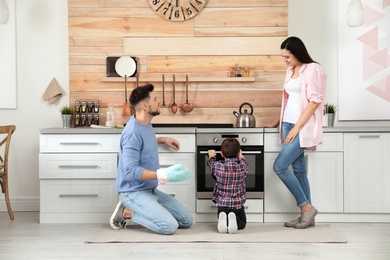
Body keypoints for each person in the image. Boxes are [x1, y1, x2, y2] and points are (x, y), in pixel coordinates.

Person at [109, 83, 193, 235]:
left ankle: (144, 209)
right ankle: (126, 212)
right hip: (133, 192)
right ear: (145, 106)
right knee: (169, 226)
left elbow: (141, 145)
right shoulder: (132, 133)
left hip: (149, 189)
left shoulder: (145, 124)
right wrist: (163, 174)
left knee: (186, 221)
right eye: (155, 99)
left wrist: (160, 139)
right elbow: (130, 171)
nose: (159, 102)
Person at [270, 36, 326, 229]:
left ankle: (305, 207)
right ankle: (306, 217)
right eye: (283, 57)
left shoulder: (313, 69)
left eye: (287, 57)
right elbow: (290, 100)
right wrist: (278, 122)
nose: (284, 60)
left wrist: (297, 127)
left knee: (280, 166)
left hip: (301, 126)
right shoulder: (290, 70)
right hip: (287, 123)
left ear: (297, 53)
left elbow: (314, 101)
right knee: (300, 171)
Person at [207, 138, 248, 234]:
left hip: (222, 204)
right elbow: (244, 160)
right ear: (238, 153)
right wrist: (240, 155)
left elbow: (210, 163)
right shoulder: (242, 166)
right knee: (242, 223)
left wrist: (211, 156)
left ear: (222, 154)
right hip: (237, 205)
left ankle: (224, 219)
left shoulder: (217, 166)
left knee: (223, 215)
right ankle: (235, 220)